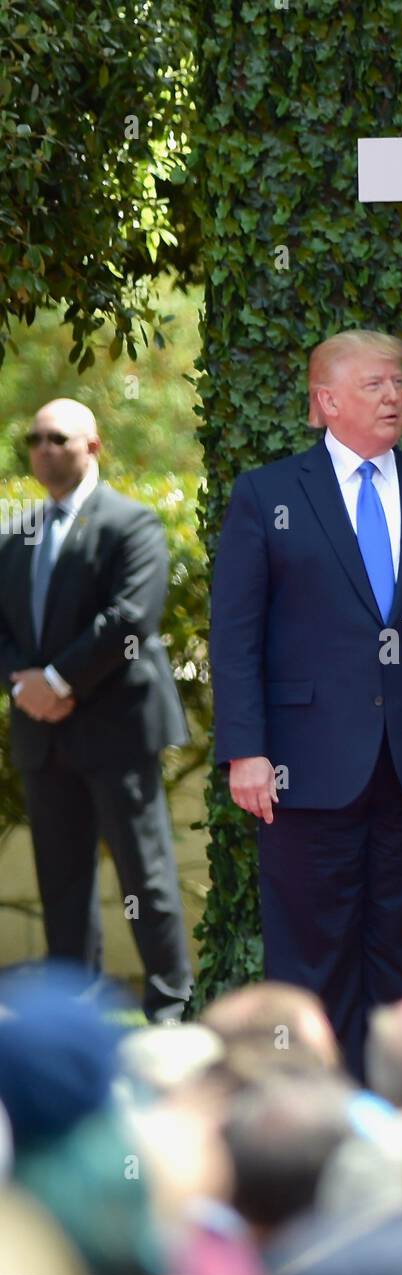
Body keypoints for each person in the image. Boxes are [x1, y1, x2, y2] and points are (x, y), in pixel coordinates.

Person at [210, 330, 402, 1082]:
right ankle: (311, 1123)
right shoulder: (266, 494)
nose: (394, 397)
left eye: (397, 383)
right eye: (373, 385)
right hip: (301, 768)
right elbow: (234, 633)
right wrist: (245, 748)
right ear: (325, 401)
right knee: (309, 960)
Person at [0, 400, 193, 1021]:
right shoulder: (16, 534)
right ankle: (73, 1016)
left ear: (94, 446)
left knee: (147, 876)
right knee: (62, 882)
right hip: (42, 733)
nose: (44, 448)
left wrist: (58, 681)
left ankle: (169, 1009)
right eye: (35, 438)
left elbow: (131, 618)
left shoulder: (131, 523)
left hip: (117, 726)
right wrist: (23, 686)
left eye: (58, 437)